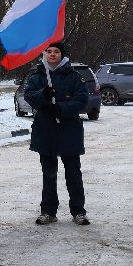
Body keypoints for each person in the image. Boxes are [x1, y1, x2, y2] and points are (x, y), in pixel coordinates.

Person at [23, 41, 89, 226]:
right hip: (45, 131)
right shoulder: (37, 75)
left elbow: (82, 99)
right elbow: (29, 96)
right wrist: (44, 94)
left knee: (73, 173)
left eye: (56, 51)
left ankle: (78, 211)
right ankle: (48, 211)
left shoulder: (73, 76)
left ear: (62, 54)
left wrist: (61, 109)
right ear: (44, 54)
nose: (52, 54)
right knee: (49, 173)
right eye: (49, 51)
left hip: (69, 131)